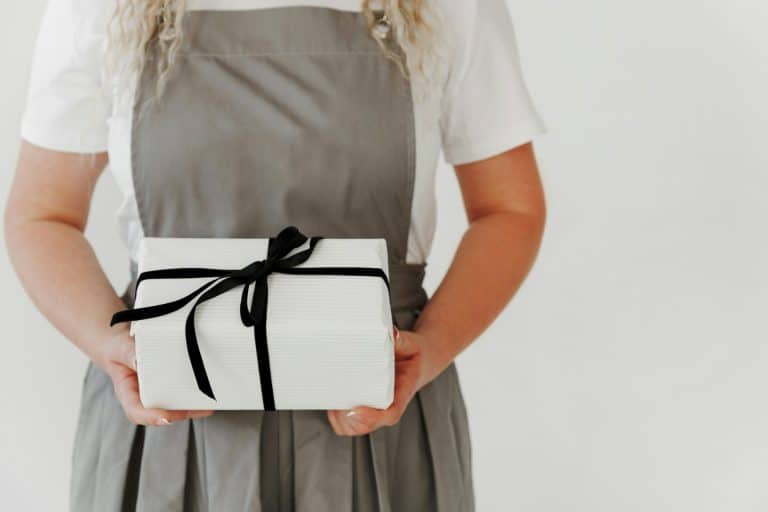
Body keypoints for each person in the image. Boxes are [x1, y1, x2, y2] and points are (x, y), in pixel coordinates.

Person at [5, 0, 547, 510]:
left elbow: (509, 208)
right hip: (170, 419)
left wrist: (429, 349)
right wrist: (111, 344)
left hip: (379, 408)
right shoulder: (101, 7)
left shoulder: (444, 7)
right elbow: (41, 214)